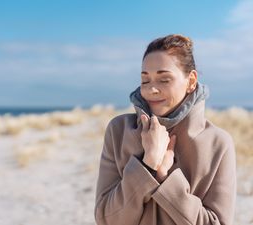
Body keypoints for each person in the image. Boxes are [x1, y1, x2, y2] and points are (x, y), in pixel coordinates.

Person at [94, 34, 236, 225]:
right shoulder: (118, 131)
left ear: (191, 80)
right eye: (145, 80)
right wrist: (148, 164)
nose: (152, 89)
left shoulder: (218, 143)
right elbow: (106, 219)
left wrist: (165, 177)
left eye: (164, 80)